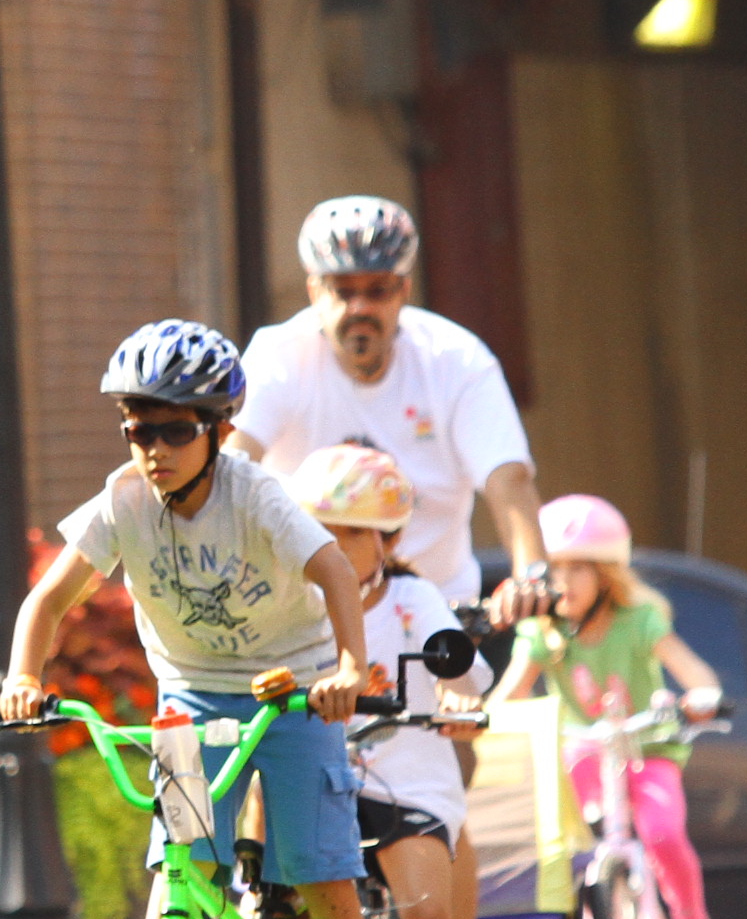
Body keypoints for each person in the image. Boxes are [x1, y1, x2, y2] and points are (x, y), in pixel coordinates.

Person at [0, 321, 401, 919]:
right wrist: (21, 676)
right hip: (188, 689)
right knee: (183, 858)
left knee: (318, 864)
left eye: (175, 430)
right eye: (137, 429)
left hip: (292, 688)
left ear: (218, 431)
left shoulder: (255, 495)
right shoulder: (122, 503)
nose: (153, 448)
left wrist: (349, 666)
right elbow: (49, 599)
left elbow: (334, 574)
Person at [289, 443, 492, 919]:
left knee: (428, 916)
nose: (336, 548)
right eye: (322, 531)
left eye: (352, 532)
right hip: (312, 774)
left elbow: (465, 668)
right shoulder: (289, 605)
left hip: (404, 774)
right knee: (265, 904)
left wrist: (458, 694)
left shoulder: (411, 599)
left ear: (389, 539)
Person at [232, 196, 554, 626]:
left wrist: (532, 572)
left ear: (404, 289)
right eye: (342, 291)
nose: (359, 308)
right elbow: (235, 459)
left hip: (433, 612)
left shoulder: (456, 359)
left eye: (376, 290)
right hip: (306, 614)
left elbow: (508, 479)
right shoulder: (280, 356)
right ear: (314, 291)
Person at [493, 495, 727, 919]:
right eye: (554, 569)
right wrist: (482, 721)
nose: (565, 581)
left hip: (647, 751)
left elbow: (695, 674)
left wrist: (700, 698)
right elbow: (508, 694)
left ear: (607, 575)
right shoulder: (542, 632)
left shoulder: (639, 621)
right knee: (567, 844)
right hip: (583, 759)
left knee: (663, 833)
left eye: (580, 568)